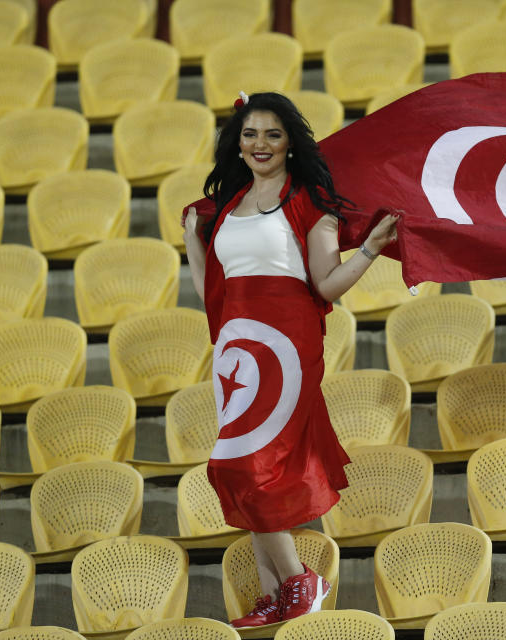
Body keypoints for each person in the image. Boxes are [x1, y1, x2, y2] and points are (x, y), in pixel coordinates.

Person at [181, 91, 399, 628]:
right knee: (245, 469)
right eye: (250, 134)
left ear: (290, 144)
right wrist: (192, 242)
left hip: (286, 344)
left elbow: (326, 284)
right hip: (236, 347)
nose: (260, 144)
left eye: (273, 135)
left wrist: (368, 250)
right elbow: (214, 290)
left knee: (247, 465)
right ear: (237, 144)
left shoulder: (310, 203)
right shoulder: (226, 209)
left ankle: (303, 580)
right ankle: (274, 594)